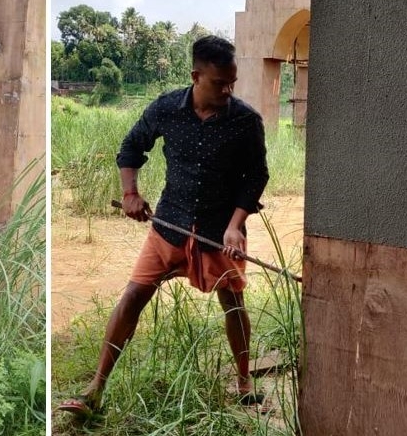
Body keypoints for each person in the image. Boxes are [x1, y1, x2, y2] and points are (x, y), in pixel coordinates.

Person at [58, 35, 270, 417]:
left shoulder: (245, 121)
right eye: (219, 83)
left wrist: (237, 224)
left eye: (232, 83)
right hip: (168, 226)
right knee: (133, 297)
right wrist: (130, 194)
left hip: (220, 235)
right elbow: (131, 147)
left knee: (233, 303)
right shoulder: (167, 108)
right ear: (195, 76)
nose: (227, 90)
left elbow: (256, 176)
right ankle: (95, 389)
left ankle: (244, 383)